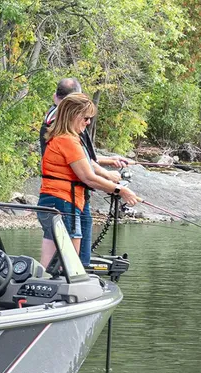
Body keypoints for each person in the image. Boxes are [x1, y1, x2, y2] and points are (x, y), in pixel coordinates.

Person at [38, 93, 138, 267]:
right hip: (64, 203)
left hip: (49, 201)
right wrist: (120, 190)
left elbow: (87, 166)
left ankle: (43, 286)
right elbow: (88, 177)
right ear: (73, 115)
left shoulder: (58, 137)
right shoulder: (68, 140)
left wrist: (108, 176)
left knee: (49, 255)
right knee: (71, 261)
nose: (88, 122)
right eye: (86, 118)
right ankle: (68, 291)